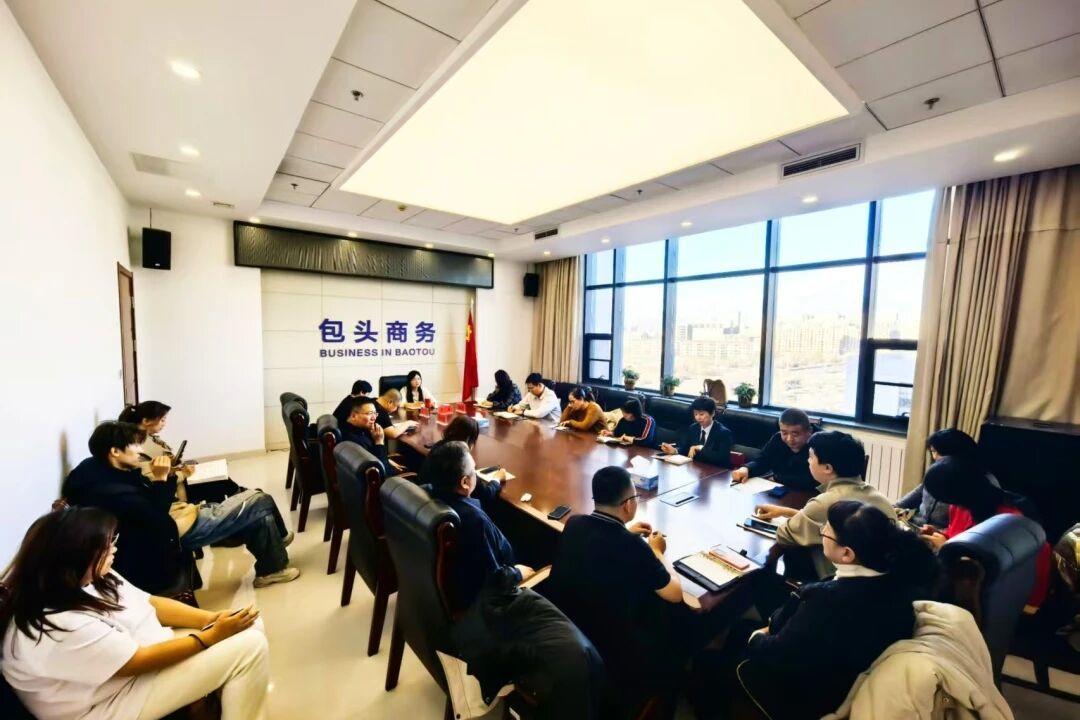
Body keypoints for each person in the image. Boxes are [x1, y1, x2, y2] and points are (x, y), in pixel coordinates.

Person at [1, 507, 270, 720]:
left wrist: (211, 619)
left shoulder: (89, 575)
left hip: (128, 669)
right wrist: (210, 636)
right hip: (105, 705)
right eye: (107, 545)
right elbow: (135, 661)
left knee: (248, 623)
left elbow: (149, 603)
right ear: (75, 557)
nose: (114, 548)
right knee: (250, 646)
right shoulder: (54, 624)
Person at [692, 501, 938, 720]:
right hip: (844, 667)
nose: (822, 533)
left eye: (826, 532)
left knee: (707, 662)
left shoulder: (828, 601)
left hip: (808, 693)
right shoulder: (899, 579)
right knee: (737, 631)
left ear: (847, 553)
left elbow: (778, 654)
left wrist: (758, 636)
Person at [63, 422, 299, 591]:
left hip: (165, 523)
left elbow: (75, 489)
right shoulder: (115, 494)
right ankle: (279, 543)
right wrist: (161, 479)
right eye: (134, 446)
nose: (140, 451)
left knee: (257, 513)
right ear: (114, 451)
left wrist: (165, 476)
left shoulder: (91, 467)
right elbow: (157, 518)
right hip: (170, 537)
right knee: (259, 499)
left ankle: (272, 569)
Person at [543, 467, 686, 713]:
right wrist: (657, 551)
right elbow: (675, 594)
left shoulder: (574, 523)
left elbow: (603, 540)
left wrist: (624, 531)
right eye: (635, 497)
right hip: (614, 654)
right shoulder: (634, 547)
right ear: (628, 505)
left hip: (569, 632)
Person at [756, 431, 894, 579]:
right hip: (883, 581)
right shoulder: (879, 497)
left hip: (838, 583)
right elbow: (826, 520)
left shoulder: (825, 502)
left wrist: (796, 518)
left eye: (811, 457)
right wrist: (786, 512)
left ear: (827, 468)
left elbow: (785, 535)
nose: (808, 461)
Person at [920, 456, 1051, 608]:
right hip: (970, 584)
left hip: (1001, 597)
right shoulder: (962, 507)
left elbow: (983, 570)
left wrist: (947, 547)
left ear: (960, 494)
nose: (951, 505)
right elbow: (960, 535)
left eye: (950, 500)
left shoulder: (1007, 522)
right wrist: (941, 534)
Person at [421, 442, 533, 611]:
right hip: (490, 601)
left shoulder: (427, 492)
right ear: (465, 482)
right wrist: (518, 574)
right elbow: (493, 582)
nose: (476, 474)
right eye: (474, 470)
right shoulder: (475, 521)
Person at [119, 400, 242, 504]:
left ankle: (237, 498)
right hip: (172, 488)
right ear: (146, 421)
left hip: (174, 480)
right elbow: (150, 477)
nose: (164, 424)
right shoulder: (136, 446)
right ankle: (239, 498)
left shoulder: (149, 438)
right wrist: (182, 473)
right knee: (217, 481)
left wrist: (174, 463)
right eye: (162, 420)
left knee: (215, 476)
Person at [730, 408, 817, 490]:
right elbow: (763, 460)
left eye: (795, 434)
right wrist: (746, 469)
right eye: (784, 433)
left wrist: (777, 478)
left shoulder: (819, 444)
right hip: (779, 489)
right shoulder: (778, 438)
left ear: (809, 431)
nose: (789, 439)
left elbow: (813, 480)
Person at [659, 396, 732, 466]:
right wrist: (675, 451)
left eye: (701, 414)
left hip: (715, 471)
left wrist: (701, 448)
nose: (698, 418)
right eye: (696, 414)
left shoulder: (723, 433)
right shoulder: (693, 428)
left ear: (712, 413)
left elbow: (722, 458)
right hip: (695, 468)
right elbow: (685, 449)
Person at [340, 399, 390, 471]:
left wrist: (388, 461)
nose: (374, 418)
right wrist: (379, 441)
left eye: (375, 413)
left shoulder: (358, 429)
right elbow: (381, 470)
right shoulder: (354, 440)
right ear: (354, 416)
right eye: (370, 413)